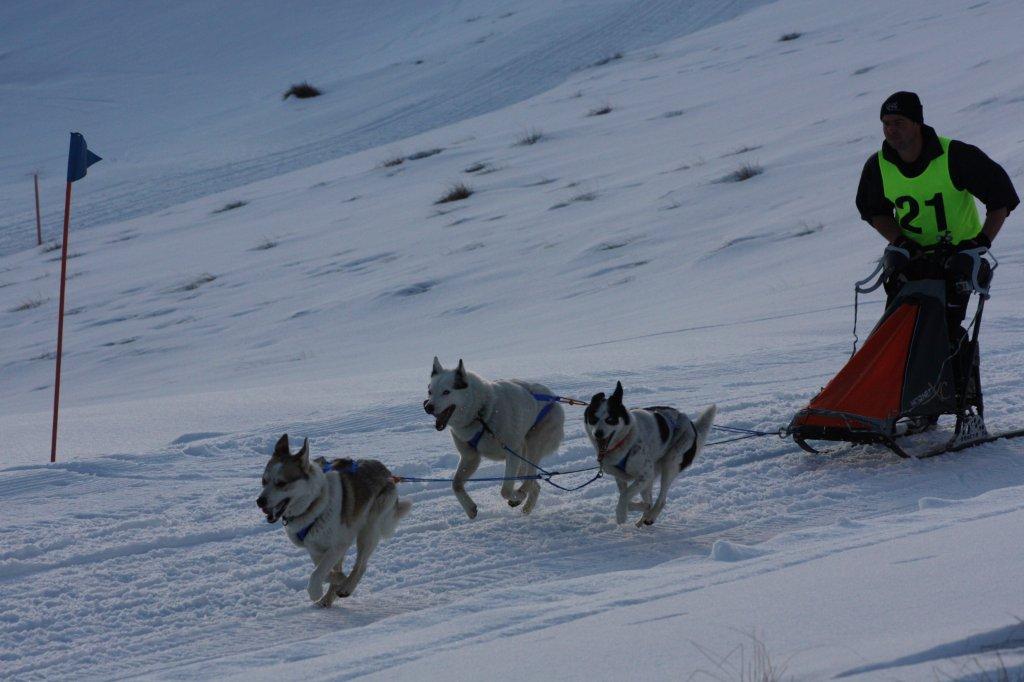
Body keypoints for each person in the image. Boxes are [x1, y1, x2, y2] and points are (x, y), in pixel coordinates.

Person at [856, 91, 1019, 411]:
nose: (891, 130)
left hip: (958, 259)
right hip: (913, 259)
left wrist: (980, 243)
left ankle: (962, 403)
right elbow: (874, 211)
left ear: (918, 123)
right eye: (886, 123)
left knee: (944, 331)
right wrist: (900, 242)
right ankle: (901, 403)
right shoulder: (879, 165)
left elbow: (1002, 198)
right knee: (898, 330)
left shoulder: (955, 155)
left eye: (899, 122)